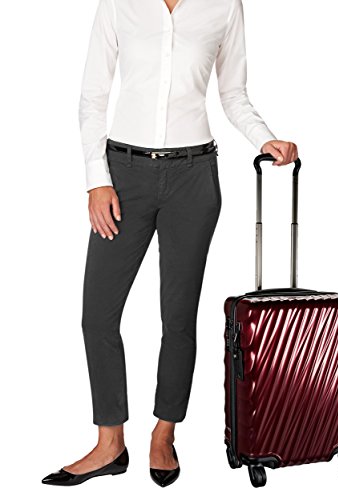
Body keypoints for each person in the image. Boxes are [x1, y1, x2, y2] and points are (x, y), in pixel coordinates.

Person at [42, 0, 298, 488]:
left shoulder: (224, 6)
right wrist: (97, 179)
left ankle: (164, 434)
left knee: (178, 318)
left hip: (193, 180)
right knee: (98, 315)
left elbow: (233, 93)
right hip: (124, 176)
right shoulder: (118, 3)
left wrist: (265, 138)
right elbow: (93, 97)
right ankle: (110, 443)